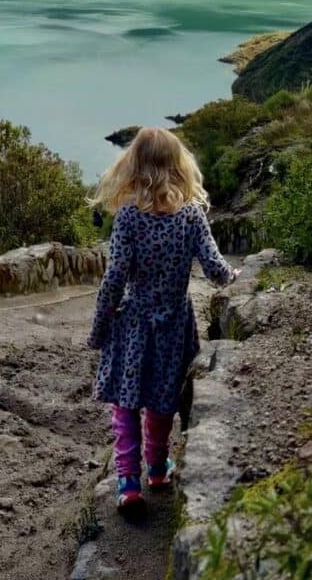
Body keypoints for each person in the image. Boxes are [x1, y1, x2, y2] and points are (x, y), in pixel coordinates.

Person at [88, 127, 239, 515]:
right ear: (178, 166)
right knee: (160, 401)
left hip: (134, 323)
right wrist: (241, 279)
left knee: (126, 402)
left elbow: (115, 278)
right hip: (174, 324)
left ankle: (128, 484)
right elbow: (217, 270)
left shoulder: (128, 218)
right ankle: (157, 470)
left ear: (134, 166)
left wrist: (100, 326)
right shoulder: (191, 216)